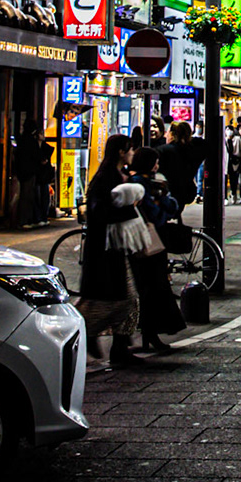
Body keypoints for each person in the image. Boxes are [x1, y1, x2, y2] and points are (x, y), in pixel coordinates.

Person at [77, 135, 142, 372]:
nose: (132, 153)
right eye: (130, 150)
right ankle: (87, 333)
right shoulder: (107, 178)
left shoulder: (116, 175)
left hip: (114, 248)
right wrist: (129, 209)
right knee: (112, 299)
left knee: (124, 298)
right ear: (121, 152)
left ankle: (117, 346)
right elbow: (100, 212)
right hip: (105, 249)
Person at [123, 147, 186, 354]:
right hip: (147, 242)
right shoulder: (140, 183)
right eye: (155, 162)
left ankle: (148, 335)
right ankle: (148, 334)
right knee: (151, 288)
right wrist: (162, 203)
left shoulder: (146, 181)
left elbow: (169, 205)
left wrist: (163, 202)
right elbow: (158, 212)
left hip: (149, 241)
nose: (157, 166)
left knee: (151, 288)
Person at [157, 121, 205, 206]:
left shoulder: (163, 151)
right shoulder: (194, 150)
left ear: (172, 134)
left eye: (167, 132)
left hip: (170, 191)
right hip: (187, 191)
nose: (165, 135)